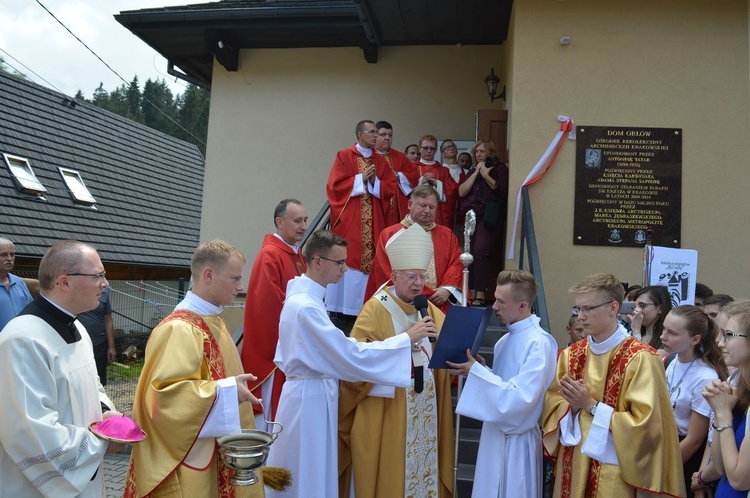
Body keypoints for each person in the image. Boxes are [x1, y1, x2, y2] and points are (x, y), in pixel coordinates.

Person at [266, 230, 437, 498]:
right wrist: (405, 340)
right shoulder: (306, 307)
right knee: (308, 471)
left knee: (307, 469)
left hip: (309, 394)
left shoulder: (305, 301)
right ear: (318, 261)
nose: (346, 268)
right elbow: (349, 355)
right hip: (310, 399)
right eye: (340, 262)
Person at [124, 240, 265, 498]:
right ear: (208, 275)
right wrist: (225, 391)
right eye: (234, 278)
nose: (240, 286)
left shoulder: (214, 321)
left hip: (211, 448)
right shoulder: (179, 329)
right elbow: (164, 398)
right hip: (188, 457)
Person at [542, 273, 685, 497]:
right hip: (574, 461)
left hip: (616, 469)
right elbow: (553, 405)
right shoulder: (571, 355)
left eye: (588, 308)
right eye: (577, 309)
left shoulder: (641, 358)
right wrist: (573, 407)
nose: (581, 316)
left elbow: (648, 426)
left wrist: (591, 405)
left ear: (613, 308)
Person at [339, 223, 454, 498]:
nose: (418, 283)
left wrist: (465, 356)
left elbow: (446, 350)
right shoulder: (375, 309)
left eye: (422, 277)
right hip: (388, 411)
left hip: (425, 411)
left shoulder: (429, 309)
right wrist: (404, 338)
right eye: (411, 277)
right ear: (394, 276)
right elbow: (355, 362)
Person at [0, 240, 123, 497]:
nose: (105, 283)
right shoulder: (23, 339)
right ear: (65, 282)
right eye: (98, 276)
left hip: (86, 479)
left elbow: (93, 386)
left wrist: (106, 414)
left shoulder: (78, 327)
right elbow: (30, 430)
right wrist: (100, 443)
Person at [448, 269, 557, 498]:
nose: (494, 307)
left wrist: (478, 373)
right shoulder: (504, 341)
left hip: (516, 440)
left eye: (500, 301)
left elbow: (520, 399)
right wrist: (481, 370)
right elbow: (504, 384)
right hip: (494, 435)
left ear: (522, 305)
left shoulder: (539, 343)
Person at [241, 198, 308, 431]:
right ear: (280, 222)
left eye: (305, 220)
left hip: (292, 343)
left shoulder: (296, 255)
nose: (303, 226)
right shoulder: (270, 254)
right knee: (272, 413)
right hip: (273, 351)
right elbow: (267, 304)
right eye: (297, 221)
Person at [326, 120, 397, 318]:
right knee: (349, 256)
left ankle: (365, 309)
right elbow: (335, 186)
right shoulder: (344, 156)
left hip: (374, 218)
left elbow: (391, 187)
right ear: (360, 134)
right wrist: (360, 178)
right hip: (352, 217)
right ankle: (343, 311)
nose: (377, 136)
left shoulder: (380, 160)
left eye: (377, 132)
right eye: (372, 132)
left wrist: (375, 182)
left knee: (371, 260)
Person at [661, 305, 728, 497]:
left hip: (682, 455)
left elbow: (695, 438)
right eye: (664, 329)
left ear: (695, 339)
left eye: (672, 333)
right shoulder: (671, 360)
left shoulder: (705, 376)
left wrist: (664, 467)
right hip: (664, 444)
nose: (663, 336)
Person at [364, 184, 463, 311]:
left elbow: (456, 264)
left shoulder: (447, 235)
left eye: (432, 207)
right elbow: (384, 270)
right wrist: (424, 293)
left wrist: (447, 289)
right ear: (410, 204)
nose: (427, 210)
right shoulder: (390, 234)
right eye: (423, 205)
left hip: (440, 302)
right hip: (402, 304)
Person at [702, 300, 750, 496]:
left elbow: (739, 480)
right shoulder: (736, 379)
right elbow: (721, 466)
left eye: (728, 335)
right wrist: (720, 409)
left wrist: (722, 413)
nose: (719, 342)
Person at [458, 139, 509, 307]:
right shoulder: (473, 170)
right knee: (469, 253)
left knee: (480, 252)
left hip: (489, 218)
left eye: (482, 151)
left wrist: (486, 174)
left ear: (490, 153)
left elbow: (501, 189)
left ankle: (481, 292)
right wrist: (475, 174)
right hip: (471, 218)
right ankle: (470, 291)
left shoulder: (500, 169)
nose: (479, 155)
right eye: (477, 152)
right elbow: (462, 191)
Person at [374, 121, 416, 226]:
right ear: (375, 136)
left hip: (397, 206)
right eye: (383, 134)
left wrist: (398, 175)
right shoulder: (368, 157)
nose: (387, 138)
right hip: (377, 203)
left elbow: (414, 175)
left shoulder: (400, 157)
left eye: (390, 135)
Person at [415, 134, 455, 228]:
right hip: (417, 213)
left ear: (436, 150)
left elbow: (453, 190)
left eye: (432, 148)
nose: (429, 151)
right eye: (425, 148)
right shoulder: (412, 168)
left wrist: (437, 183)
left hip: (437, 213)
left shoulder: (443, 170)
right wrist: (421, 182)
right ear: (420, 149)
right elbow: (406, 191)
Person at [77, 287, 116, 385]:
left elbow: (108, 319)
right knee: (81, 380)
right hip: (78, 345)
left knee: (99, 381)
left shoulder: (104, 294)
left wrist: (111, 347)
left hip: (99, 344)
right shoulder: (75, 292)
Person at [0, 237, 33, 330]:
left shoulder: (19, 283)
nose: (9, 259)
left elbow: (31, 310)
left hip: (22, 340)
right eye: (4, 255)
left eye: (12, 254)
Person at [631, 285, 672, 356]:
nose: (636, 311)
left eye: (642, 305)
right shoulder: (637, 334)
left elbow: (646, 363)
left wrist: (636, 330)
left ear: (660, 309)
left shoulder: (665, 339)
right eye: (635, 306)